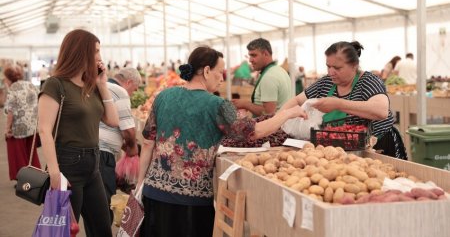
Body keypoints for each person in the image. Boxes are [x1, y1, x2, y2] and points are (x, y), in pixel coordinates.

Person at [137, 46, 307, 237]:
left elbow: (147, 143)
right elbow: (254, 131)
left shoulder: (163, 96)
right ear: (207, 71)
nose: (223, 78)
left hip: (154, 194)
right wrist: (288, 113)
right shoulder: (217, 105)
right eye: (220, 72)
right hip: (190, 203)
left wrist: (139, 185)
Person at [38, 29, 119, 236]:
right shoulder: (55, 85)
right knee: (64, 231)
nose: (100, 57)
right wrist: (54, 173)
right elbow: (44, 130)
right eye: (96, 51)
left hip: (94, 165)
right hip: (67, 166)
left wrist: (102, 84)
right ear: (80, 52)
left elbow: (112, 120)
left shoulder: (91, 85)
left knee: (102, 228)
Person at [281, 41, 407, 160]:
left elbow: (381, 111)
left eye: (337, 68)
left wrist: (337, 104)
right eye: (328, 66)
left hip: (378, 149)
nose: (331, 72)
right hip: (341, 150)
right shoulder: (326, 82)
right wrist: (278, 118)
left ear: (354, 66)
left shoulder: (368, 81)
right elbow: (298, 100)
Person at [99, 67, 141, 223]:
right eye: (134, 90)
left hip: (89, 150)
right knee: (105, 205)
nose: (133, 94)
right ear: (128, 82)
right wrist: (132, 148)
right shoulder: (119, 91)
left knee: (93, 206)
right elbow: (129, 131)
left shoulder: (100, 86)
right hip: (103, 154)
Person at [232, 38, 292, 116]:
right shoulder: (279, 70)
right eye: (249, 56)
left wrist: (246, 104)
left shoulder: (269, 77)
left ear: (265, 54)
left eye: (254, 55)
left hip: (273, 127)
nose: (250, 60)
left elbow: (268, 113)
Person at [3, 64, 41, 182]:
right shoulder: (30, 84)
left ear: (9, 78)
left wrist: (7, 129)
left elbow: (11, 111)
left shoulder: (13, 89)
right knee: (31, 153)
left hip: (18, 128)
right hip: (32, 126)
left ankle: (23, 180)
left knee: (18, 155)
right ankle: (36, 177)